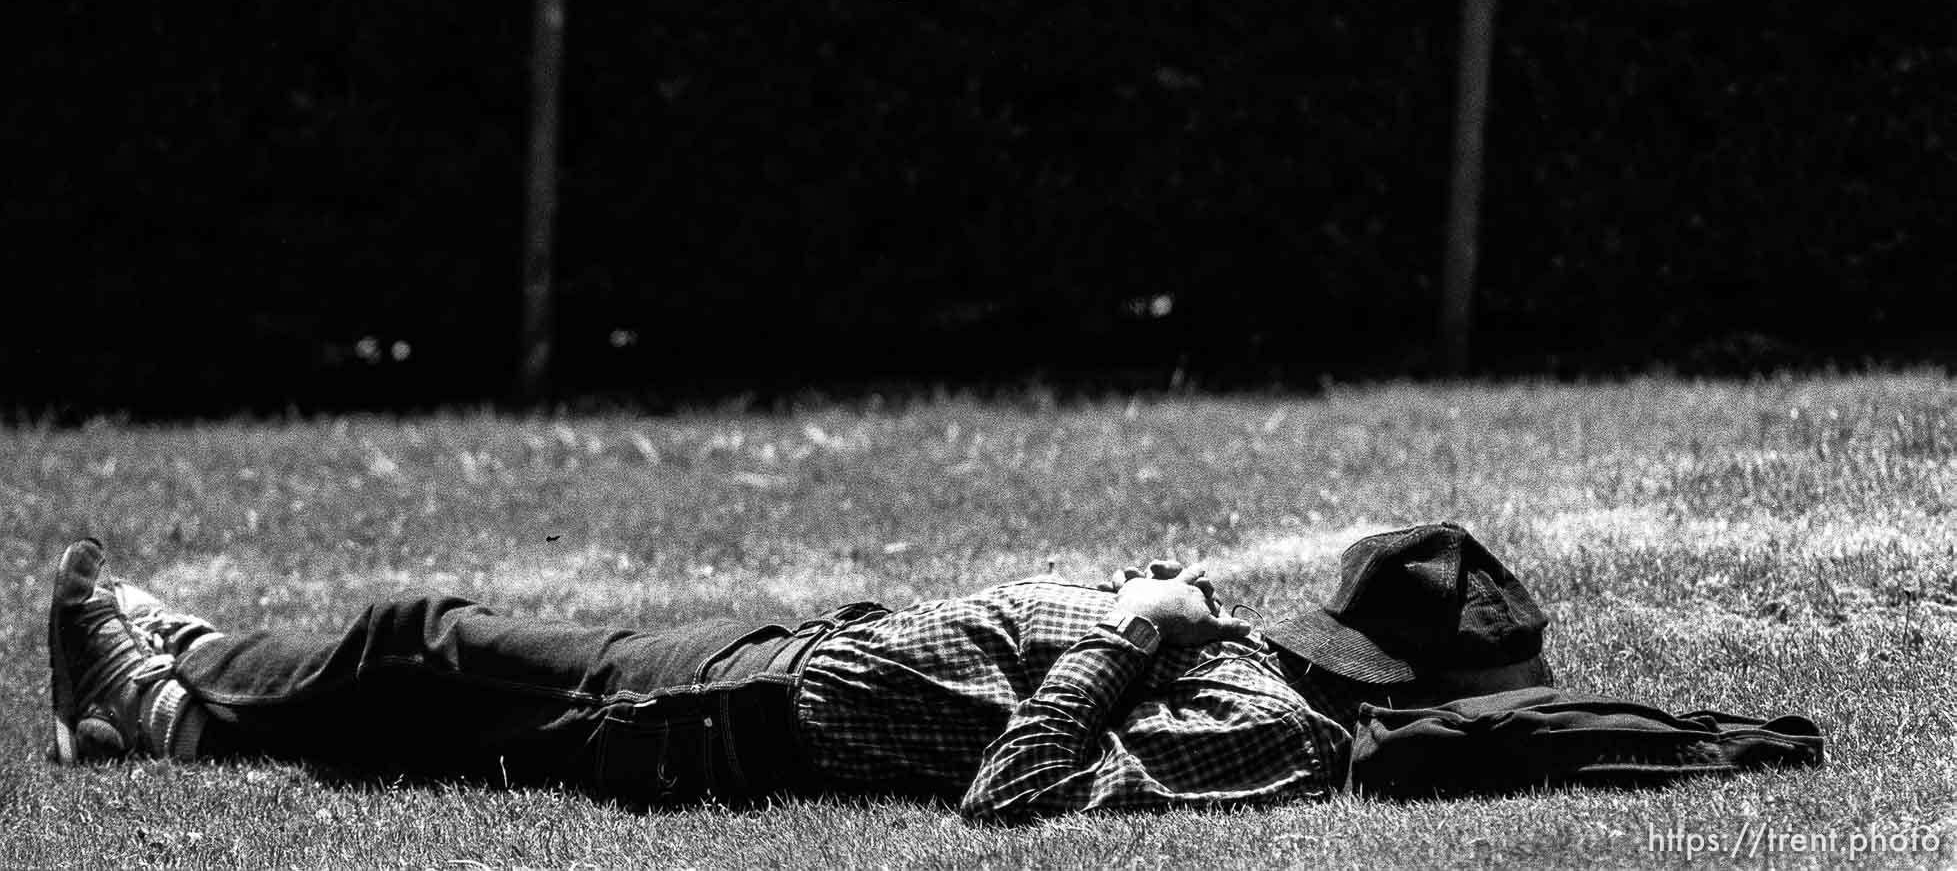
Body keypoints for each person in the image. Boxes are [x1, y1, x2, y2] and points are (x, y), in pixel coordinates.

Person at [46, 521, 1552, 821]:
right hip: (778, 654)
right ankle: (180, 688)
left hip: (729, 725)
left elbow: (1016, 789)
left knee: (414, 642)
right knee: (413, 700)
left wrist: (1123, 627)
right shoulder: (1242, 659)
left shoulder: (1270, 739)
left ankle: (167, 690)